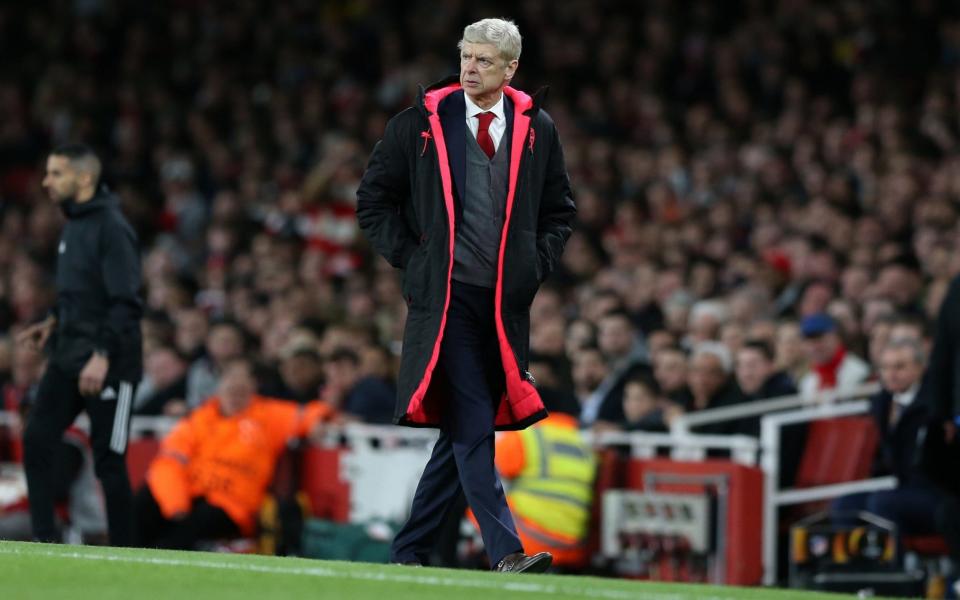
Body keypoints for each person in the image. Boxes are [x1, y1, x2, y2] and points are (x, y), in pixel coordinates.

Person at [356, 18, 576, 573]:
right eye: (465, 55)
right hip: (446, 300)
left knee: (460, 430)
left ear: (510, 68)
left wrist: (535, 264)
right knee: (477, 417)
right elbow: (373, 200)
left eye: (483, 60)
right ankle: (506, 552)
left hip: (502, 304)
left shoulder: (538, 130)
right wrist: (416, 260)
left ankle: (407, 553)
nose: (469, 68)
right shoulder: (420, 125)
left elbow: (559, 211)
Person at [17, 144, 143, 546]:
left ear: (84, 178)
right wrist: (53, 321)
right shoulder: (73, 224)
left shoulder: (112, 227)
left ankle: (127, 555)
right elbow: (80, 293)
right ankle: (44, 540)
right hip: (68, 354)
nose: (46, 182)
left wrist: (102, 356)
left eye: (56, 174)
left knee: (109, 460)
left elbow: (125, 302)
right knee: (37, 437)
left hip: (111, 362)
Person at [135, 357, 333, 549]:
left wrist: (317, 421)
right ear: (220, 387)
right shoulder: (200, 419)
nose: (235, 391)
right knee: (143, 503)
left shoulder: (269, 415)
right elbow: (169, 463)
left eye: (241, 385)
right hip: (190, 493)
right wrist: (176, 504)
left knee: (192, 526)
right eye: (230, 383)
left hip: (232, 505)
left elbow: (308, 413)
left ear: (253, 386)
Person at [831, 339, 943, 536]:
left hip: (936, 493)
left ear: (920, 368)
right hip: (901, 487)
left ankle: (892, 566)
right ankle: (852, 566)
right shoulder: (881, 402)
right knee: (845, 504)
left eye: (899, 367)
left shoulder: (936, 403)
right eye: (885, 367)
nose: (891, 374)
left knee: (882, 502)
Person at [493, 404, 596, 569]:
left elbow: (490, 469)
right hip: (572, 545)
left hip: (533, 539)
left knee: (482, 502)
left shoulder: (528, 436)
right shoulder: (583, 445)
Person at [797, 313, 870, 398]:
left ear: (836, 337)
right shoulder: (807, 382)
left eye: (820, 338)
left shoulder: (859, 371)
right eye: (809, 341)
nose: (815, 347)